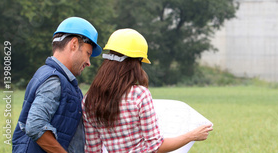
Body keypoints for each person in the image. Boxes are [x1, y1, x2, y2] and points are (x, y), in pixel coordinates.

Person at [82, 28, 213, 153]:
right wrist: (192, 135)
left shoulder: (89, 100)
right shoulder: (139, 95)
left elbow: (92, 150)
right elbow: (155, 146)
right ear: (135, 63)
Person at [12, 17, 103, 153]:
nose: (88, 62)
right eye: (87, 53)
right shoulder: (54, 80)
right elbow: (35, 126)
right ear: (74, 44)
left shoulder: (59, 79)